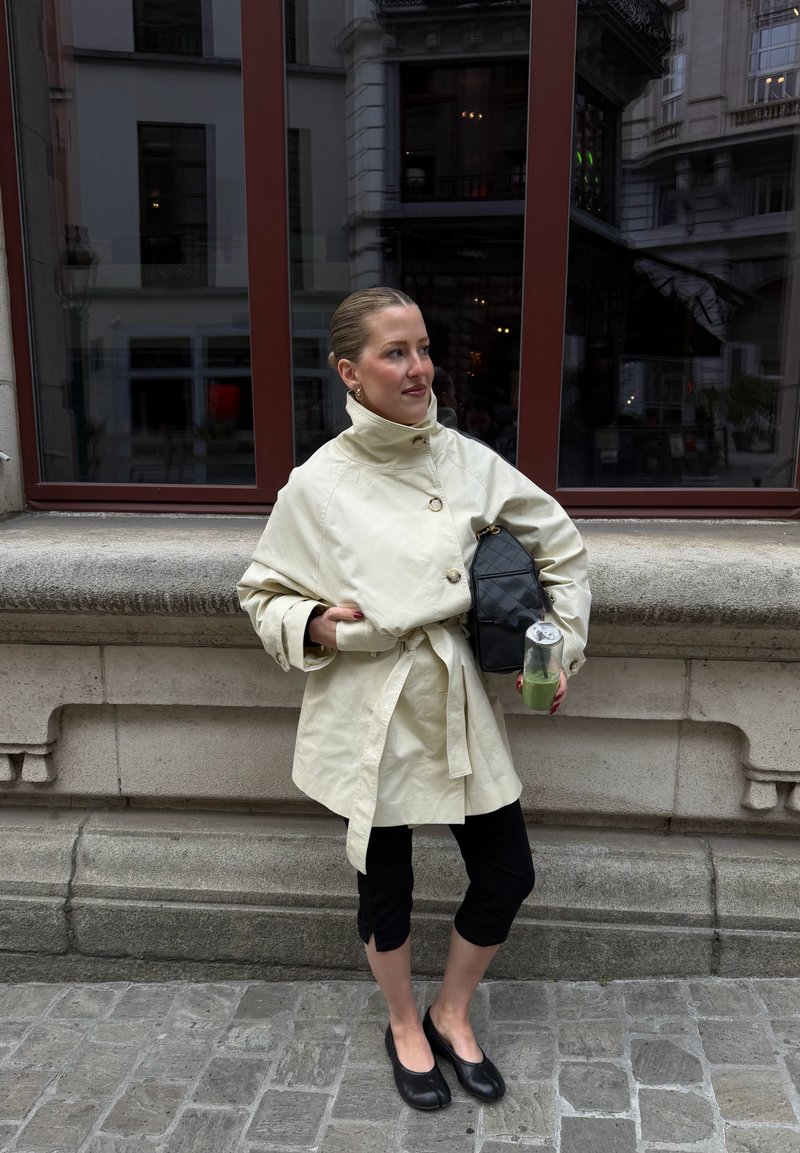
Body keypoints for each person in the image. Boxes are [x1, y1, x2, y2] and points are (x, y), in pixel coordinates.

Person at [238, 286, 591, 1113]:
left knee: (508, 872)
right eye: (395, 352)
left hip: (456, 697)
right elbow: (262, 594)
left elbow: (561, 546)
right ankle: (404, 1023)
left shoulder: (467, 460)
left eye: (424, 348)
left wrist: (556, 645)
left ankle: (451, 1009)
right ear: (349, 374)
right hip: (372, 703)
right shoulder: (317, 483)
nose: (418, 367)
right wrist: (316, 623)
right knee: (384, 884)